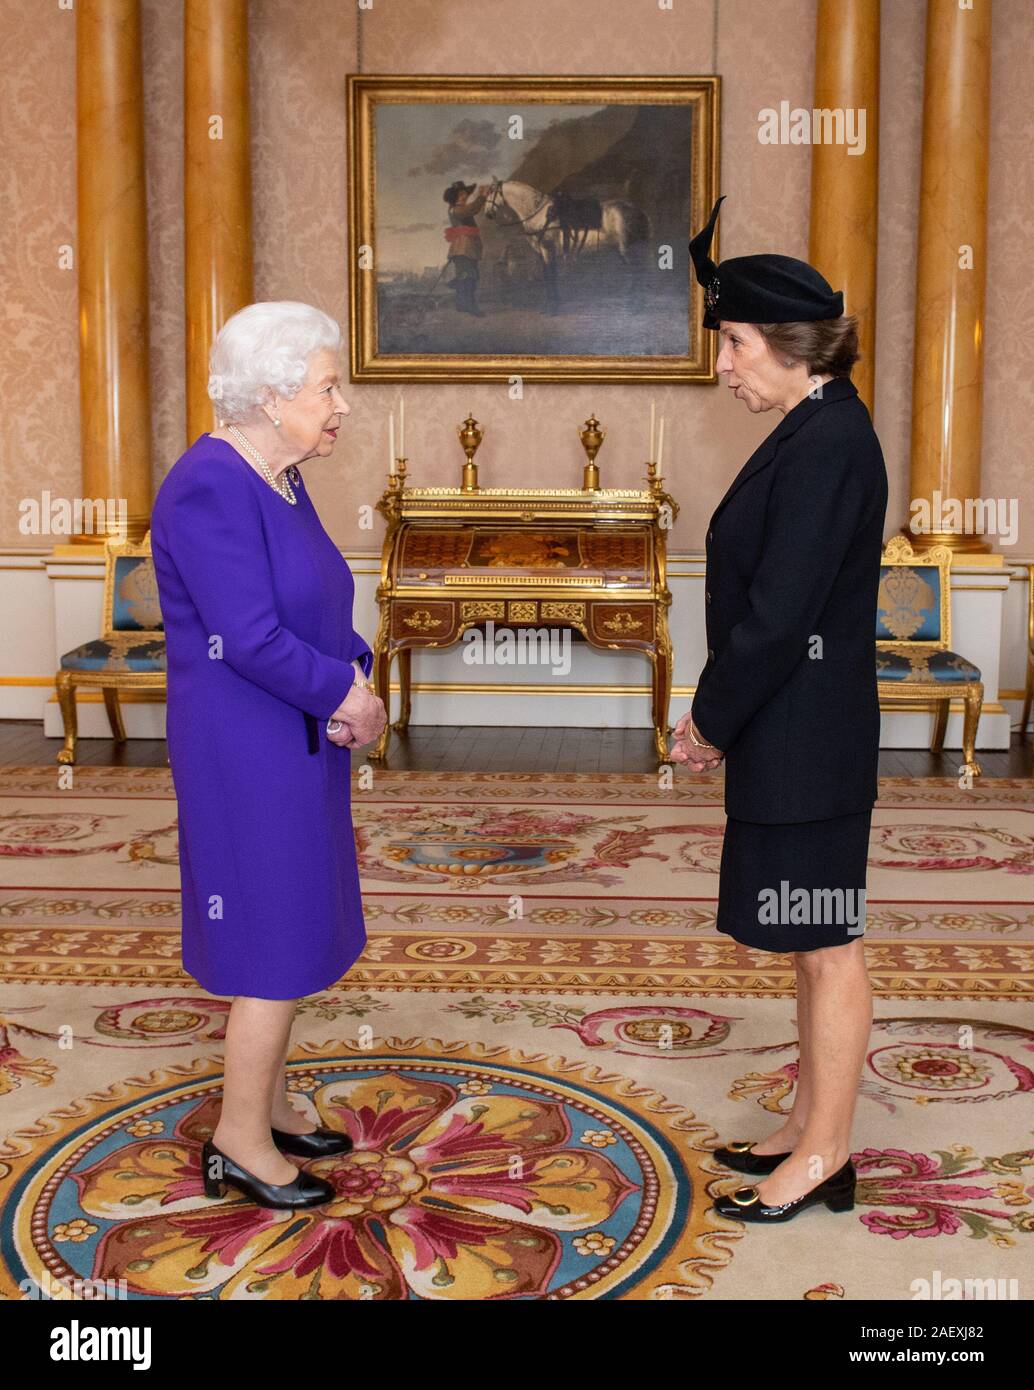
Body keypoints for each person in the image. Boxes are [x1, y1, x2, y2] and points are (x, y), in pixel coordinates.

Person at [671, 197, 888, 1224]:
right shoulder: (815, 426)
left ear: (792, 345)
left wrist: (709, 720)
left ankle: (827, 1155)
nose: (724, 364)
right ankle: (807, 1126)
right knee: (807, 936)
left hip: (807, 738)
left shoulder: (829, 440)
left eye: (734, 342)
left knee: (827, 941)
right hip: (793, 730)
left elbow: (777, 615)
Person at [150, 301, 387, 1210]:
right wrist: (344, 696)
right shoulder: (211, 484)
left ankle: (272, 1106)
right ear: (273, 395)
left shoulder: (278, 476)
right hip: (244, 748)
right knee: (268, 934)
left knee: (293, 914)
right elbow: (246, 636)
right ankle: (240, 1143)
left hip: (295, 734)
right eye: (327, 388)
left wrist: (352, 670)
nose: (341, 405)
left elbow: (312, 599)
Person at [443, 180, 490, 316]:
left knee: (464, 276)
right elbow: (473, 209)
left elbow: (471, 208)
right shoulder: (457, 209)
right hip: (464, 249)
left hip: (465, 248)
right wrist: (482, 196)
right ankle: (471, 307)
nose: (464, 196)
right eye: (461, 194)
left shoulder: (457, 209)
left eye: (465, 194)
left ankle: (461, 304)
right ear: (455, 197)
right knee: (469, 277)